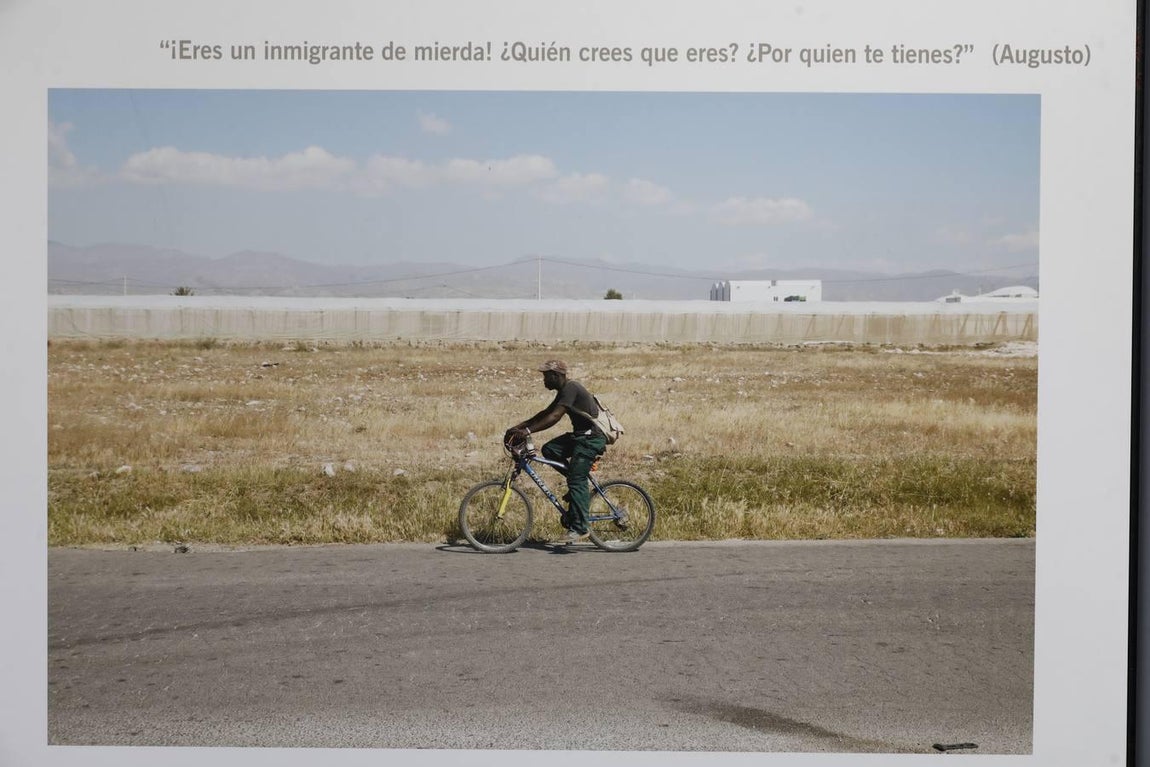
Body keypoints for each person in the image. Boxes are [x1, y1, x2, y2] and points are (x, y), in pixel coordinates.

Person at [504, 360, 608, 544]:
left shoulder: (571, 388)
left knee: (576, 480)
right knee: (550, 450)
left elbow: (554, 416)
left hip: (591, 439)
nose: (543, 379)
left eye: (546, 376)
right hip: (580, 437)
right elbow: (546, 412)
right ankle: (577, 487)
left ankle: (580, 527)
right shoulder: (564, 391)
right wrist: (518, 427)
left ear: (556, 376)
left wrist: (527, 432)